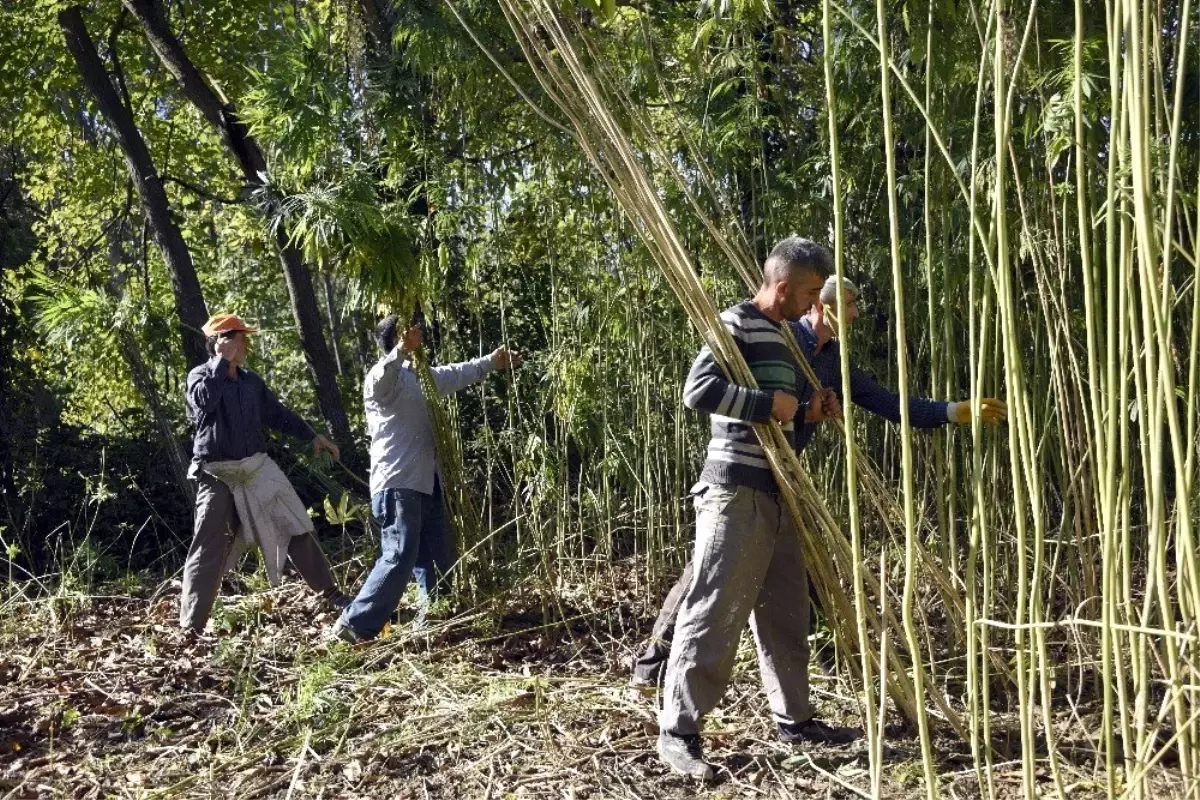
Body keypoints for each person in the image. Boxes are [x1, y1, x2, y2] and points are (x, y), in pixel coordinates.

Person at [634, 276, 1007, 695]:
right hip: (741, 474)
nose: (855, 313)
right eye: (847, 304)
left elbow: (887, 402)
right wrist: (799, 407)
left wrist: (954, 411)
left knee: (792, 578)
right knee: (705, 578)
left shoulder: (834, 360)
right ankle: (652, 666)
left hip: (784, 478)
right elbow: (736, 394)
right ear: (818, 305)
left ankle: (817, 671)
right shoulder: (779, 335)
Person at [657, 236, 847, 781]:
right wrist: (769, 405)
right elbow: (697, 391)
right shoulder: (734, 324)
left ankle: (795, 720)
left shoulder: (788, 336)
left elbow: (784, 420)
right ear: (783, 286)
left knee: (787, 612)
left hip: (780, 488)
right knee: (714, 608)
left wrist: (809, 411)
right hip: (735, 488)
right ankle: (678, 730)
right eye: (812, 292)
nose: (817, 305)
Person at [331, 312, 520, 643]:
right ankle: (354, 624)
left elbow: (457, 373)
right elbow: (383, 377)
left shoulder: (422, 377)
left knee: (438, 555)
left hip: (427, 482)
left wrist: (492, 362)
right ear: (397, 338)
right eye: (411, 332)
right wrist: (401, 350)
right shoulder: (382, 375)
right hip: (397, 481)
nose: (420, 336)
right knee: (400, 553)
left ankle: (434, 620)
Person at [182, 313, 348, 634]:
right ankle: (192, 628)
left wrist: (313, 436)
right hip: (218, 476)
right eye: (241, 338)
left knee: (296, 524)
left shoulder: (251, 383)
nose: (246, 344)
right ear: (223, 342)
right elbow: (203, 403)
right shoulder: (199, 376)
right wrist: (220, 362)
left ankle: (332, 595)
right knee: (208, 546)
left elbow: (278, 414)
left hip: (257, 469)